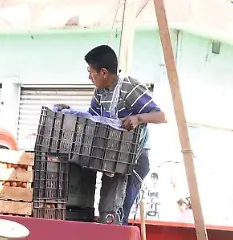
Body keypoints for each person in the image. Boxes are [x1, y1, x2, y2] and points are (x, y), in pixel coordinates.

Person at [60, 45, 166, 225]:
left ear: (103, 72)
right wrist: (70, 112)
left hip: (135, 160)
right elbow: (93, 119)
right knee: (107, 212)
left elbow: (162, 116)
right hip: (113, 160)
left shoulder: (128, 87)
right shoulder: (100, 92)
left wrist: (138, 118)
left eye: (90, 72)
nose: (89, 77)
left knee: (117, 212)